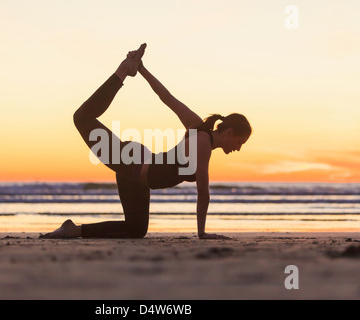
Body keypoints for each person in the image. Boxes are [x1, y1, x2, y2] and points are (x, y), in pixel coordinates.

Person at [39, 43, 252, 240]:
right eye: (240, 142)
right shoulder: (203, 144)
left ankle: (73, 230)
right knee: (82, 118)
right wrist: (202, 233)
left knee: (136, 230)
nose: (239, 148)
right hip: (132, 162)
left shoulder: (198, 128)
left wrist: (141, 68)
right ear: (229, 132)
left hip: (137, 172)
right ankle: (121, 72)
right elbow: (203, 193)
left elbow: (167, 97)